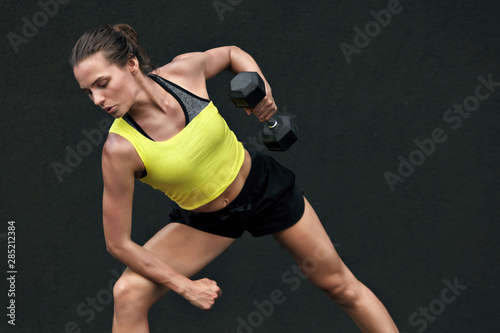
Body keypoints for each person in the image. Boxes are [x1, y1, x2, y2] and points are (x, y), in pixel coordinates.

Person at [70, 24, 399, 333]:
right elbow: (118, 243)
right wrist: (184, 286)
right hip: (207, 221)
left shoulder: (183, 73)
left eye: (102, 83)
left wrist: (260, 86)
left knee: (339, 286)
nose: (98, 99)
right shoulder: (119, 149)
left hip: (262, 188)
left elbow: (230, 53)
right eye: (88, 92)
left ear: (130, 64)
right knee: (127, 293)